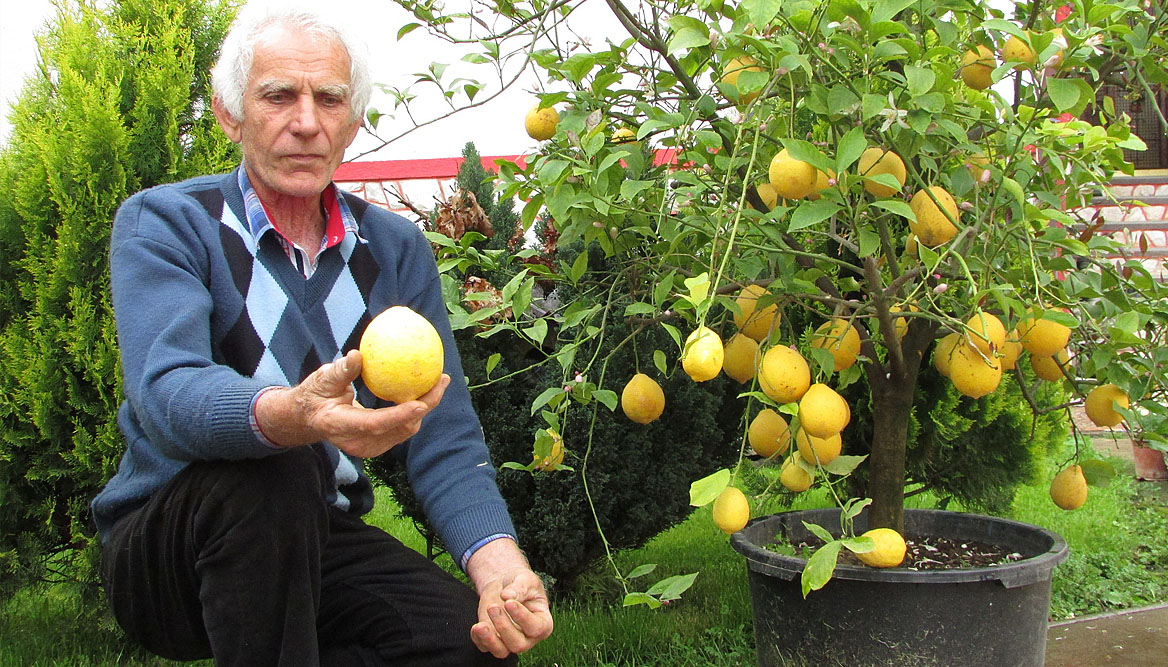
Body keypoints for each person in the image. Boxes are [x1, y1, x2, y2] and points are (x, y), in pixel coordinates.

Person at [91, 4, 552, 665]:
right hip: (167, 544)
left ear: (353, 122)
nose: (306, 122)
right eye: (278, 96)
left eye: (329, 99)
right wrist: (294, 415)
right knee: (280, 467)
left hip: (312, 531)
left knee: (467, 647)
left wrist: (500, 568)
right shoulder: (169, 223)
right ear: (230, 115)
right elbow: (168, 393)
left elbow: (444, 435)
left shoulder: (394, 249)